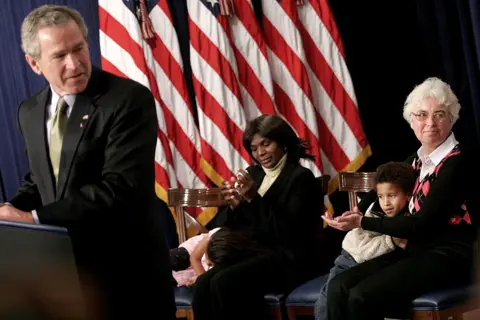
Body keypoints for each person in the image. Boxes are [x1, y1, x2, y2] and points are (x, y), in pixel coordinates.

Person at [0, 5, 175, 319]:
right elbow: (39, 179)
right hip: (63, 278)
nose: (75, 63)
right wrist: (8, 213)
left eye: (79, 48)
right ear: (34, 63)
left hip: (127, 276)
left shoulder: (127, 99)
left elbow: (120, 188)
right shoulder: (29, 111)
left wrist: (33, 218)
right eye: (59, 55)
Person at [323, 77, 476, 319]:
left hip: (450, 255)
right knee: (338, 287)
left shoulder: (458, 162)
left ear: (452, 118)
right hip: (414, 250)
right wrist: (352, 214)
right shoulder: (414, 161)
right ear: (411, 121)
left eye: (439, 114)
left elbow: (421, 224)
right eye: (422, 115)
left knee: (361, 296)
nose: (430, 123)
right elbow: (376, 190)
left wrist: (362, 222)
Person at [191, 114, 324, 320]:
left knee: (224, 282)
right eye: (254, 148)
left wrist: (254, 198)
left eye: (266, 144)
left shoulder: (301, 178)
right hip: (254, 253)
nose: (260, 153)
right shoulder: (253, 174)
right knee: (203, 284)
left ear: (282, 142)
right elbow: (227, 226)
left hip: (290, 258)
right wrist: (235, 205)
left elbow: (287, 232)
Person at [314, 161, 416, 320]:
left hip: (366, 264)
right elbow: (361, 245)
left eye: (392, 196)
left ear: (408, 195)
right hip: (349, 258)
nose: (386, 203)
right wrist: (391, 241)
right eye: (381, 197)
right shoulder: (374, 213)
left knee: (348, 299)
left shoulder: (406, 220)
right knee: (326, 302)